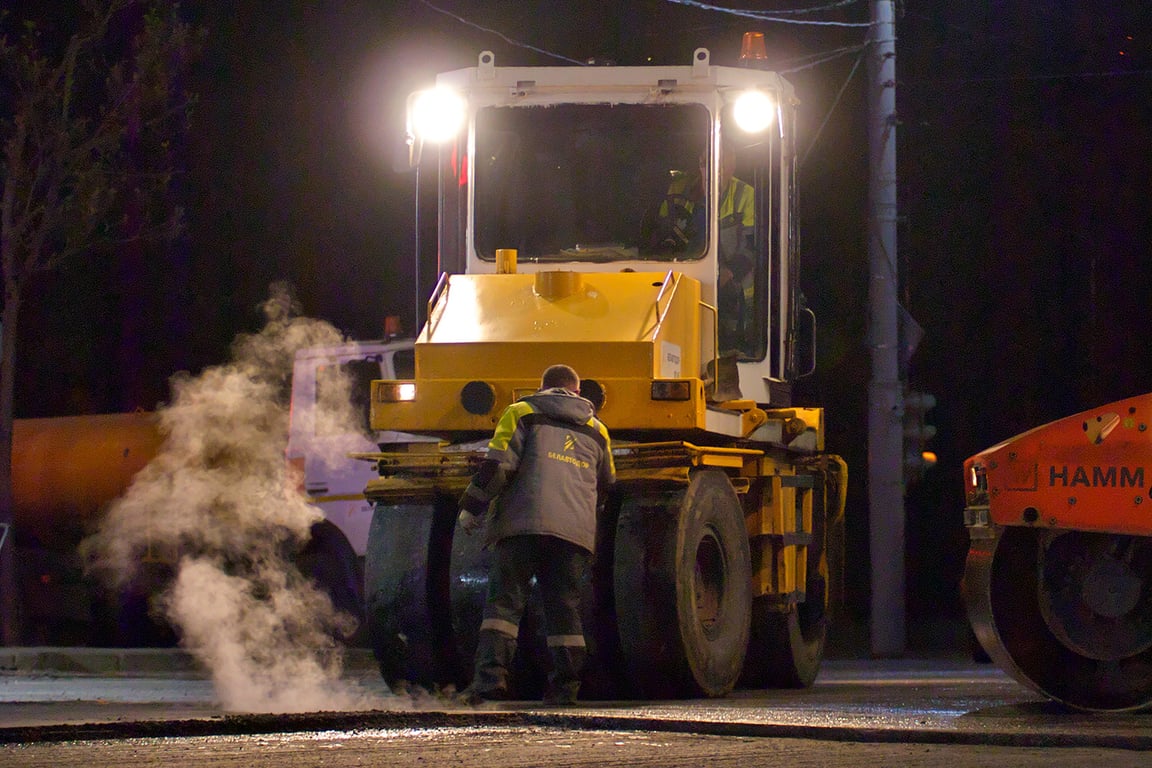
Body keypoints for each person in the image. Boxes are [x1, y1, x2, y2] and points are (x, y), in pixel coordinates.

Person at [456, 364, 615, 705]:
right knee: (565, 612)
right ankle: (565, 690)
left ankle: (489, 684)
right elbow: (607, 484)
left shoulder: (522, 412)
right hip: (573, 535)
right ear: (576, 391)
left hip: (522, 527)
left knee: (504, 607)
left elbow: (498, 466)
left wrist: (472, 505)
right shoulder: (598, 430)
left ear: (542, 387)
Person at [647, 142, 755, 350]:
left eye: (722, 164)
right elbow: (660, 234)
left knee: (724, 348)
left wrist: (730, 273)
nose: (714, 170)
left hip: (734, 293)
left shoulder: (745, 195)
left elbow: (753, 246)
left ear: (732, 167)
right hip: (680, 285)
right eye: (706, 163)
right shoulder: (678, 190)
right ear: (699, 165)